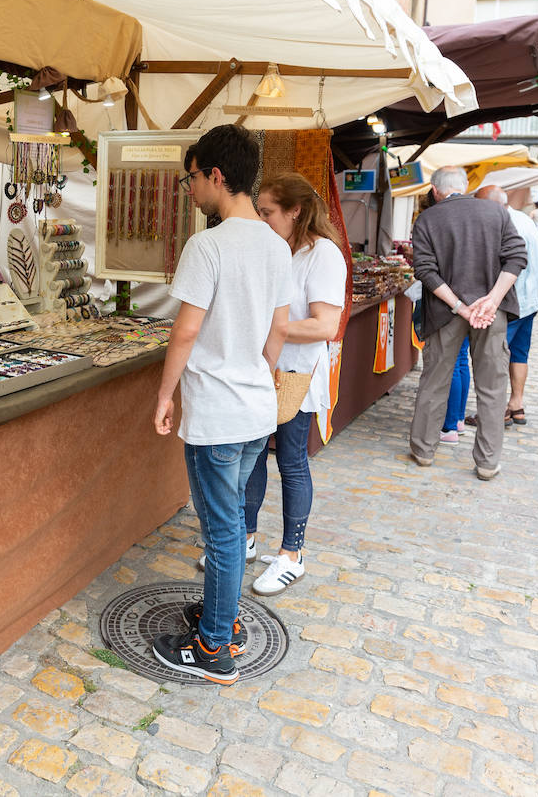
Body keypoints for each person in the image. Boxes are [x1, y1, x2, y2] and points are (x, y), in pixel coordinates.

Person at [151, 124, 292, 684]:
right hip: (253, 408)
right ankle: (221, 619)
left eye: (192, 178)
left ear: (216, 175)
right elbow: (277, 332)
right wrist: (262, 381)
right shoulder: (275, 245)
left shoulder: (207, 245)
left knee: (223, 530)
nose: (189, 190)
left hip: (216, 412)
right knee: (231, 523)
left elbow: (184, 333)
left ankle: (214, 647)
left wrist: (165, 394)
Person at [244, 173, 346, 596]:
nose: (262, 219)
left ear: (295, 211)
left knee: (290, 460)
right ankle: (244, 539)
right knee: (251, 457)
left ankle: (292, 555)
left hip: (296, 374)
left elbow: (325, 324)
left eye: (267, 212)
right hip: (264, 368)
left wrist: (270, 328)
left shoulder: (322, 254)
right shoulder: (276, 250)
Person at [408, 166, 526, 481]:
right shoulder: (496, 212)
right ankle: (487, 463)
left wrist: (461, 306)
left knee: (435, 381)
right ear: (465, 186)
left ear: (435, 191)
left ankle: (423, 450)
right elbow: (517, 257)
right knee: (492, 386)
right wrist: (491, 300)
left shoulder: (427, 219)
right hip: (492, 312)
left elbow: (425, 270)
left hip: (445, 313)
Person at [475, 185, 538, 426]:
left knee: (495, 355)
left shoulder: (505, 224)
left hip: (516, 301)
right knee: (519, 352)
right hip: (533, 296)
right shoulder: (520, 217)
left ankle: (494, 412)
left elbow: (508, 266)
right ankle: (516, 404)